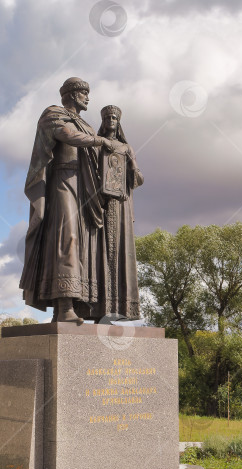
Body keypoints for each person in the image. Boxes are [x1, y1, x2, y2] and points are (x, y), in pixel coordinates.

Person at [19, 77, 119, 323]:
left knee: (85, 246)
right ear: (73, 94)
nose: (88, 98)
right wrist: (101, 140)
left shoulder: (85, 124)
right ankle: (63, 307)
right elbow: (66, 135)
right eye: (85, 93)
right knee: (67, 238)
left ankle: (78, 308)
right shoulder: (53, 113)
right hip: (63, 181)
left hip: (86, 188)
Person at [96, 105, 144, 320]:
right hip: (100, 204)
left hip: (122, 205)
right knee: (99, 254)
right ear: (103, 121)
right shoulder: (97, 145)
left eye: (115, 117)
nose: (111, 120)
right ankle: (97, 307)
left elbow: (139, 180)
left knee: (121, 254)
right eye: (108, 117)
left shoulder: (126, 148)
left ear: (119, 122)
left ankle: (120, 309)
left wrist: (132, 165)